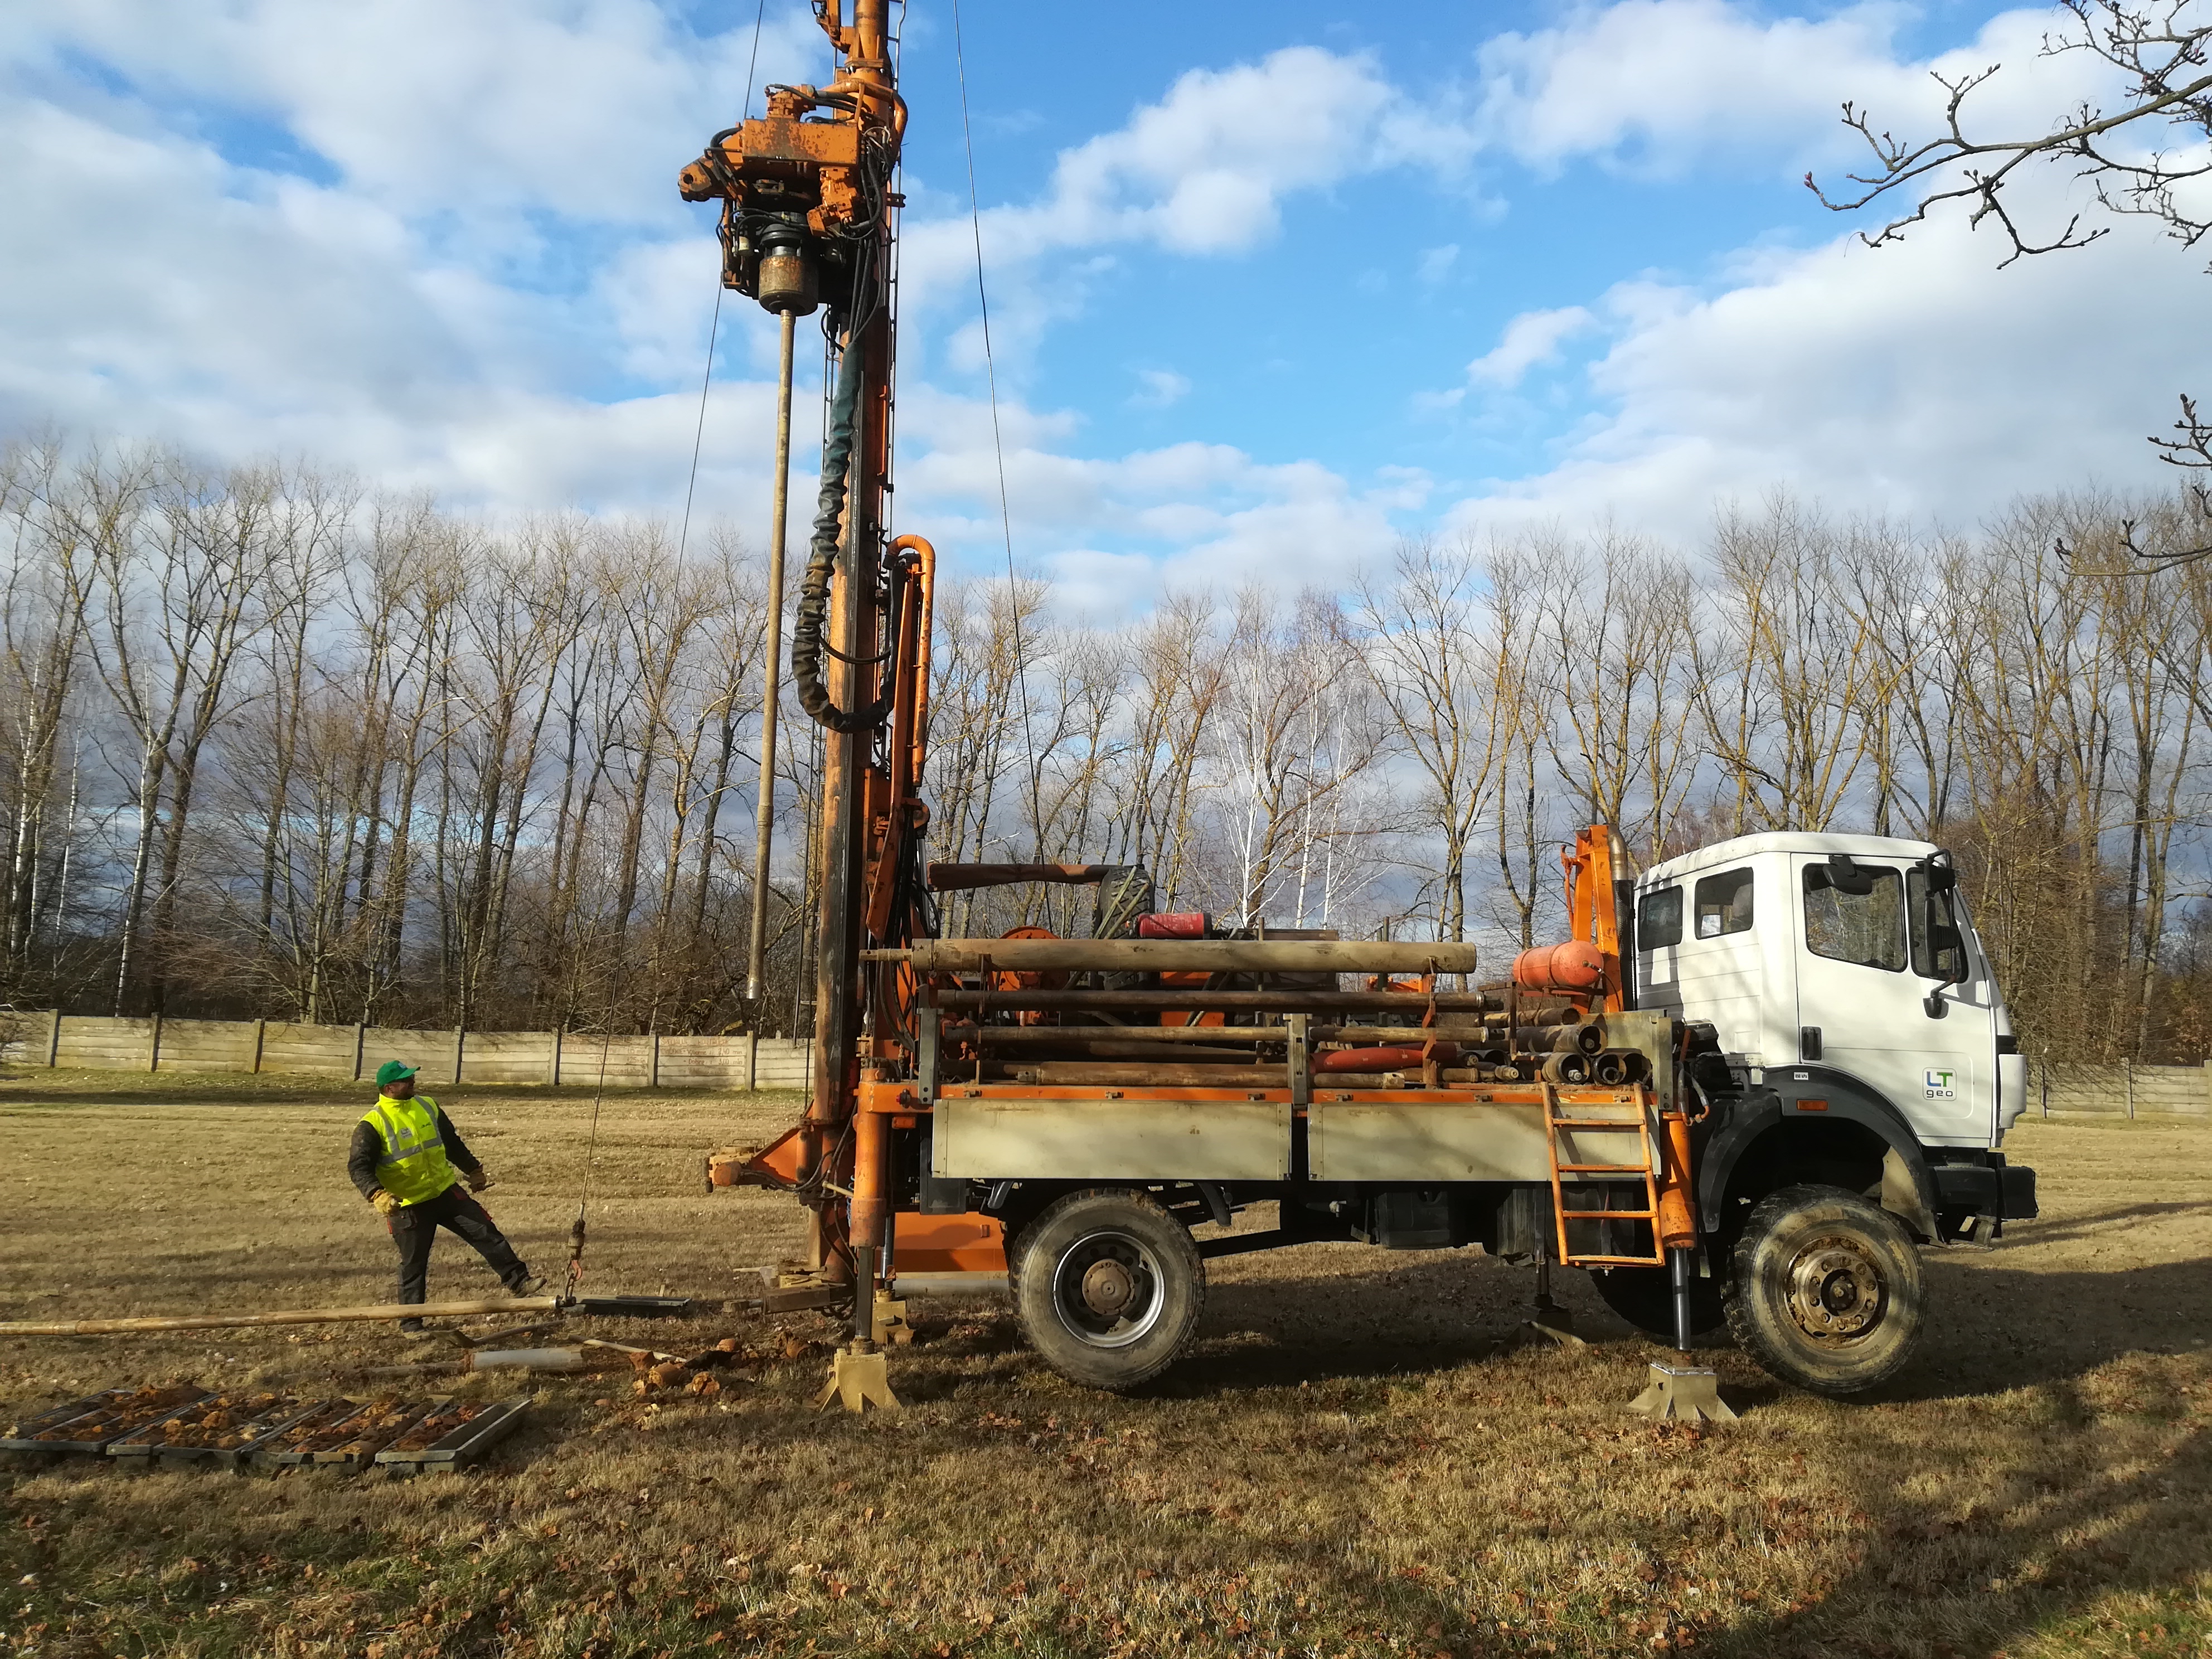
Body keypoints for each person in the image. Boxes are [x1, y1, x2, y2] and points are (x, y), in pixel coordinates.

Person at [348, 1060, 544, 1331]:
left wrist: (473, 1170)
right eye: (406, 1080)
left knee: (486, 1233)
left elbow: (451, 1143)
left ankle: (520, 1282)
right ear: (389, 1088)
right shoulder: (372, 1124)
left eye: (412, 1078)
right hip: (409, 1205)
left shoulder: (428, 1106)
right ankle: (411, 1324)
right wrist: (376, 1194)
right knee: (413, 1266)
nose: (413, 1082)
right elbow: (358, 1166)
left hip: (445, 1191)